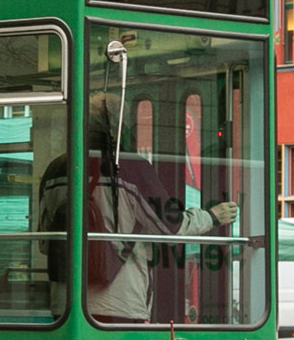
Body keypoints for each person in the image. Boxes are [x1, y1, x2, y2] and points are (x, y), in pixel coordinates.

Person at [80, 95, 237, 322]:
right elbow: (170, 226)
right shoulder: (132, 168)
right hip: (119, 304)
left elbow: (46, 244)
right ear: (118, 126)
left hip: (64, 302)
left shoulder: (57, 168)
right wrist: (212, 217)